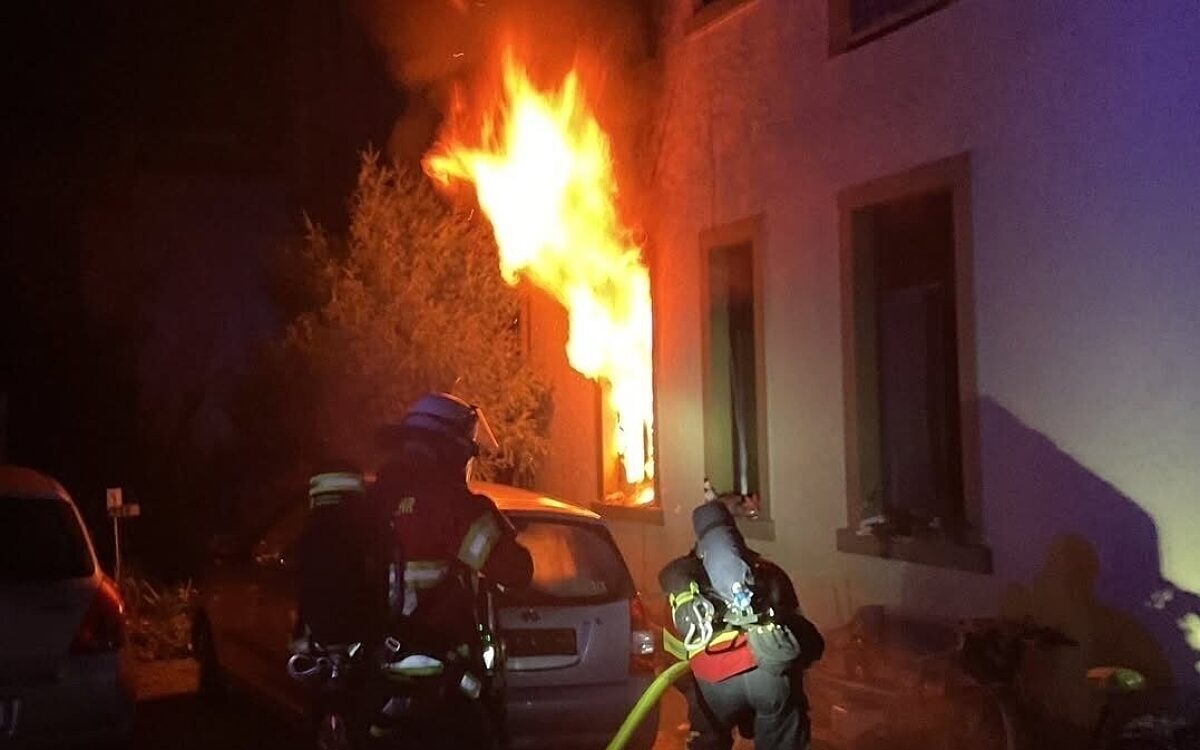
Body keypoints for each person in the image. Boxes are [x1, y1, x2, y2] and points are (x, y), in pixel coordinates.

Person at [369, 392, 534, 748]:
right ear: (450, 449)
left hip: (380, 684)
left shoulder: (375, 499)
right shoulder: (453, 506)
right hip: (442, 685)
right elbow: (515, 571)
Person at [659, 493, 823, 750]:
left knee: (708, 744)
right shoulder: (768, 571)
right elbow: (799, 633)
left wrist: (696, 697)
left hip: (711, 685)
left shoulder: (682, 586)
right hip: (768, 675)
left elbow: (673, 654)